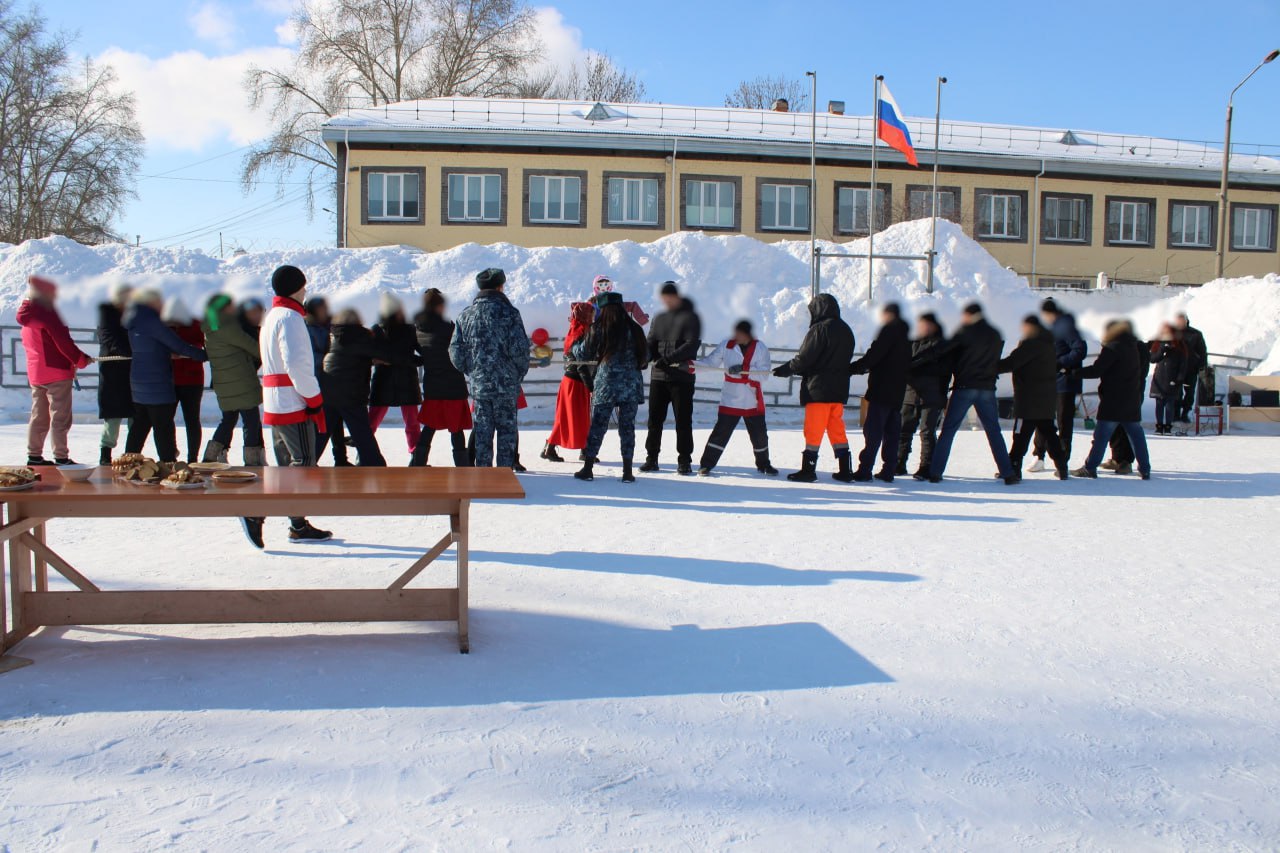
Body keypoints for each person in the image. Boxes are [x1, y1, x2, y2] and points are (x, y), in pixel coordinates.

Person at [245, 265, 334, 547]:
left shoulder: (272, 316)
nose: (306, 291)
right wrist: (313, 397)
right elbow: (297, 363)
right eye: (303, 286)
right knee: (304, 464)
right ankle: (256, 511)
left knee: (288, 466)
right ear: (296, 288)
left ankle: (297, 524)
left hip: (275, 399)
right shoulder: (292, 318)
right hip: (292, 400)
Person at [915, 303, 1017, 485]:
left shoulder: (965, 331)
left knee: (948, 431)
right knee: (994, 431)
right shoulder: (995, 333)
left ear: (969, 315)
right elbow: (996, 360)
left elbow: (943, 348)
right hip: (987, 388)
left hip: (965, 386)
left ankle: (936, 472)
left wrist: (917, 359)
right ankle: (1008, 472)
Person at [449, 268, 529, 469]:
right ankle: (504, 477)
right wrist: (516, 373)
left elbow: (455, 350)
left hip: (481, 386)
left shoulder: (465, 315)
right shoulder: (510, 313)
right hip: (506, 385)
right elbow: (520, 349)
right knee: (506, 433)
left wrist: (472, 370)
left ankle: (484, 478)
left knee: (483, 433)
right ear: (500, 287)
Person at [771, 293, 856, 483]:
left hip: (819, 389)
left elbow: (805, 358)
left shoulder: (819, 329)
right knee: (837, 429)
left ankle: (808, 470)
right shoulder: (846, 330)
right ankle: (845, 469)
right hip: (839, 390)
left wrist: (787, 369)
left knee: (813, 430)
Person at [570, 292, 648, 483]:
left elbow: (582, 352)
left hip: (606, 384)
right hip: (631, 385)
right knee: (627, 427)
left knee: (598, 425)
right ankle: (628, 472)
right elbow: (646, 357)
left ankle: (588, 468)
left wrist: (576, 343)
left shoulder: (600, 328)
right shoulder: (635, 328)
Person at [123, 289, 207, 463]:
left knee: (140, 425)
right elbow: (178, 345)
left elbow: (154, 346)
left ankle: (127, 462)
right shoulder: (153, 323)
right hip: (157, 384)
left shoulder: (134, 322)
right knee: (163, 427)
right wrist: (203, 355)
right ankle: (169, 465)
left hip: (138, 383)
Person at [17, 275, 93, 465]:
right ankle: (61, 456)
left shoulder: (26, 314)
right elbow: (63, 343)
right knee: (60, 417)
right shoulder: (47, 313)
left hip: (36, 373)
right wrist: (81, 359)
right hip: (57, 372)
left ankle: (34, 456)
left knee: (38, 416)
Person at [1073, 319, 1151, 480]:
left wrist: (1074, 372)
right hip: (1131, 399)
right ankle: (1145, 468)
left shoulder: (1112, 348)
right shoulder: (1134, 347)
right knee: (1136, 437)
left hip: (1113, 400)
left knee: (1101, 437)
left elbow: (1097, 370)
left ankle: (1090, 467)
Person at [696, 319, 776, 477]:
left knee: (759, 434)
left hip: (751, 398)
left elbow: (765, 373)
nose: (735, 335)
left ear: (747, 334)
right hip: (731, 398)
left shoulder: (760, 347)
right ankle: (706, 465)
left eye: (739, 333)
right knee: (720, 433)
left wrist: (744, 369)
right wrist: (691, 366)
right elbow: (710, 362)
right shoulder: (727, 345)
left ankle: (764, 464)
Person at [998, 315, 1069, 479]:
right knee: (1050, 434)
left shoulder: (1031, 343)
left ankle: (1013, 468)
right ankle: (1062, 466)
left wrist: (988, 367)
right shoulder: (1048, 343)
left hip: (1028, 398)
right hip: (1046, 399)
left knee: (1020, 435)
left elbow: (1012, 362)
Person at [643, 281, 702, 475]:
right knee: (654, 421)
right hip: (659, 378)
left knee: (683, 421)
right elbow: (651, 342)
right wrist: (645, 357)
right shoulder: (659, 319)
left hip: (681, 378)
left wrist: (667, 359)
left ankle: (684, 460)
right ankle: (651, 458)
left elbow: (691, 345)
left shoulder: (691, 318)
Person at [848, 302, 911, 482]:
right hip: (898, 391)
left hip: (881, 389)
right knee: (892, 433)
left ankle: (865, 469)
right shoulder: (906, 336)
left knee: (873, 431)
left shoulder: (889, 331)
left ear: (889, 314)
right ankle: (888, 470)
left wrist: (853, 368)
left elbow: (874, 355)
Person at [201, 294, 265, 466]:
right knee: (251, 421)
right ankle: (252, 462)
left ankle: (210, 458)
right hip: (240, 382)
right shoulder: (228, 327)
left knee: (228, 420)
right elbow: (254, 348)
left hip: (224, 383)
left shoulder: (212, 326)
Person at [411, 288, 472, 467]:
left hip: (432, 384)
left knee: (429, 427)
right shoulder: (449, 328)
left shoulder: (418, 329)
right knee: (456, 429)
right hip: (453, 384)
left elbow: (419, 353)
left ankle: (418, 462)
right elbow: (462, 350)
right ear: (439, 307)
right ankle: (462, 466)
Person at [322, 308, 389, 467]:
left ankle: (305, 465)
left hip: (328, 392)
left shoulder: (332, 336)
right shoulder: (362, 336)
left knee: (321, 434)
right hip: (352, 394)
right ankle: (377, 467)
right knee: (363, 436)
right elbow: (384, 355)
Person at [1028, 298, 1087, 472]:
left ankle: (1062, 459)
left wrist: (1060, 363)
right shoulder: (1051, 328)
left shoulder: (1067, 327)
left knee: (1063, 422)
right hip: (1048, 382)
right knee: (1042, 418)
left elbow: (1079, 350)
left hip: (1065, 383)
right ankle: (1039, 456)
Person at [368, 293, 423, 455]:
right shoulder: (409, 329)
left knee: (371, 423)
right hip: (406, 381)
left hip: (384, 382)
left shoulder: (376, 330)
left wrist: (385, 360)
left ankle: (364, 454)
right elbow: (421, 353)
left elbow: (370, 356)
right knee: (412, 423)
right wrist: (413, 361)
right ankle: (416, 455)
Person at [542, 301, 596, 463]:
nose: (593, 317)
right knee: (569, 418)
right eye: (591, 314)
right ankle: (550, 448)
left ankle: (584, 449)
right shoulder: (581, 333)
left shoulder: (575, 330)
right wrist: (590, 385)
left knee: (576, 417)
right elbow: (581, 364)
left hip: (572, 381)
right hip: (576, 382)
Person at [896, 312, 948, 479]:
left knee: (927, 432)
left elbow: (944, 372)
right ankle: (899, 462)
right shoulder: (912, 343)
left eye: (925, 324)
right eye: (920, 324)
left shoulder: (942, 346)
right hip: (910, 394)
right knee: (904, 430)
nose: (921, 328)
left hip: (932, 395)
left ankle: (926, 466)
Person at [306, 296, 349, 466]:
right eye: (320, 308)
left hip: (334, 380)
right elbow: (310, 356)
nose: (325, 311)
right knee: (324, 423)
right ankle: (312, 459)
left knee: (336, 420)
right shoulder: (308, 329)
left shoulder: (332, 325)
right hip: (319, 380)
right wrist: (330, 358)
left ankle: (340, 458)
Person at [1102, 329, 1152, 474]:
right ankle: (1118, 457)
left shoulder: (1137, 348)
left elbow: (1137, 373)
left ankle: (1125, 461)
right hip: (1121, 393)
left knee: (1126, 429)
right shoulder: (1122, 346)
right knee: (1118, 429)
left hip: (1129, 394)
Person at [163, 297, 206, 464]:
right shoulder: (164, 326)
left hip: (192, 380)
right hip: (169, 379)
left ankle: (192, 458)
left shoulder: (196, 323)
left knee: (192, 419)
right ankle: (171, 453)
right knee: (167, 418)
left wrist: (181, 353)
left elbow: (203, 346)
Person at [96, 282, 134, 465]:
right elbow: (109, 338)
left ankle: (132, 453)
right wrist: (131, 351)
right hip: (113, 372)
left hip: (133, 372)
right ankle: (106, 454)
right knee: (113, 417)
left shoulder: (133, 314)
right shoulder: (107, 314)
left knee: (137, 415)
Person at [1149, 323, 1187, 436]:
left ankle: (1168, 426)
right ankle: (1159, 426)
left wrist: (1179, 379)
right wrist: (1162, 350)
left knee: (1170, 404)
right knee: (1159, 403)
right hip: (1160, 378)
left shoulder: (1180, 346)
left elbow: (1183, 364)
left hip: (1172, 379)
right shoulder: (1158, 344)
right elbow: (1152, 359)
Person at [1173, 312, 1208, 423]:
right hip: (1175, 370)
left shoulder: (1195, 334)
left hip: (1191, 369)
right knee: (1176, 393)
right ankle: (1175, 414)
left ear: (1186, 321)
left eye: (1182, 320)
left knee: (1189, 393)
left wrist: (1202, 369)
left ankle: (1185, 413)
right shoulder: (1172, 334)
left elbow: (1202, 353)